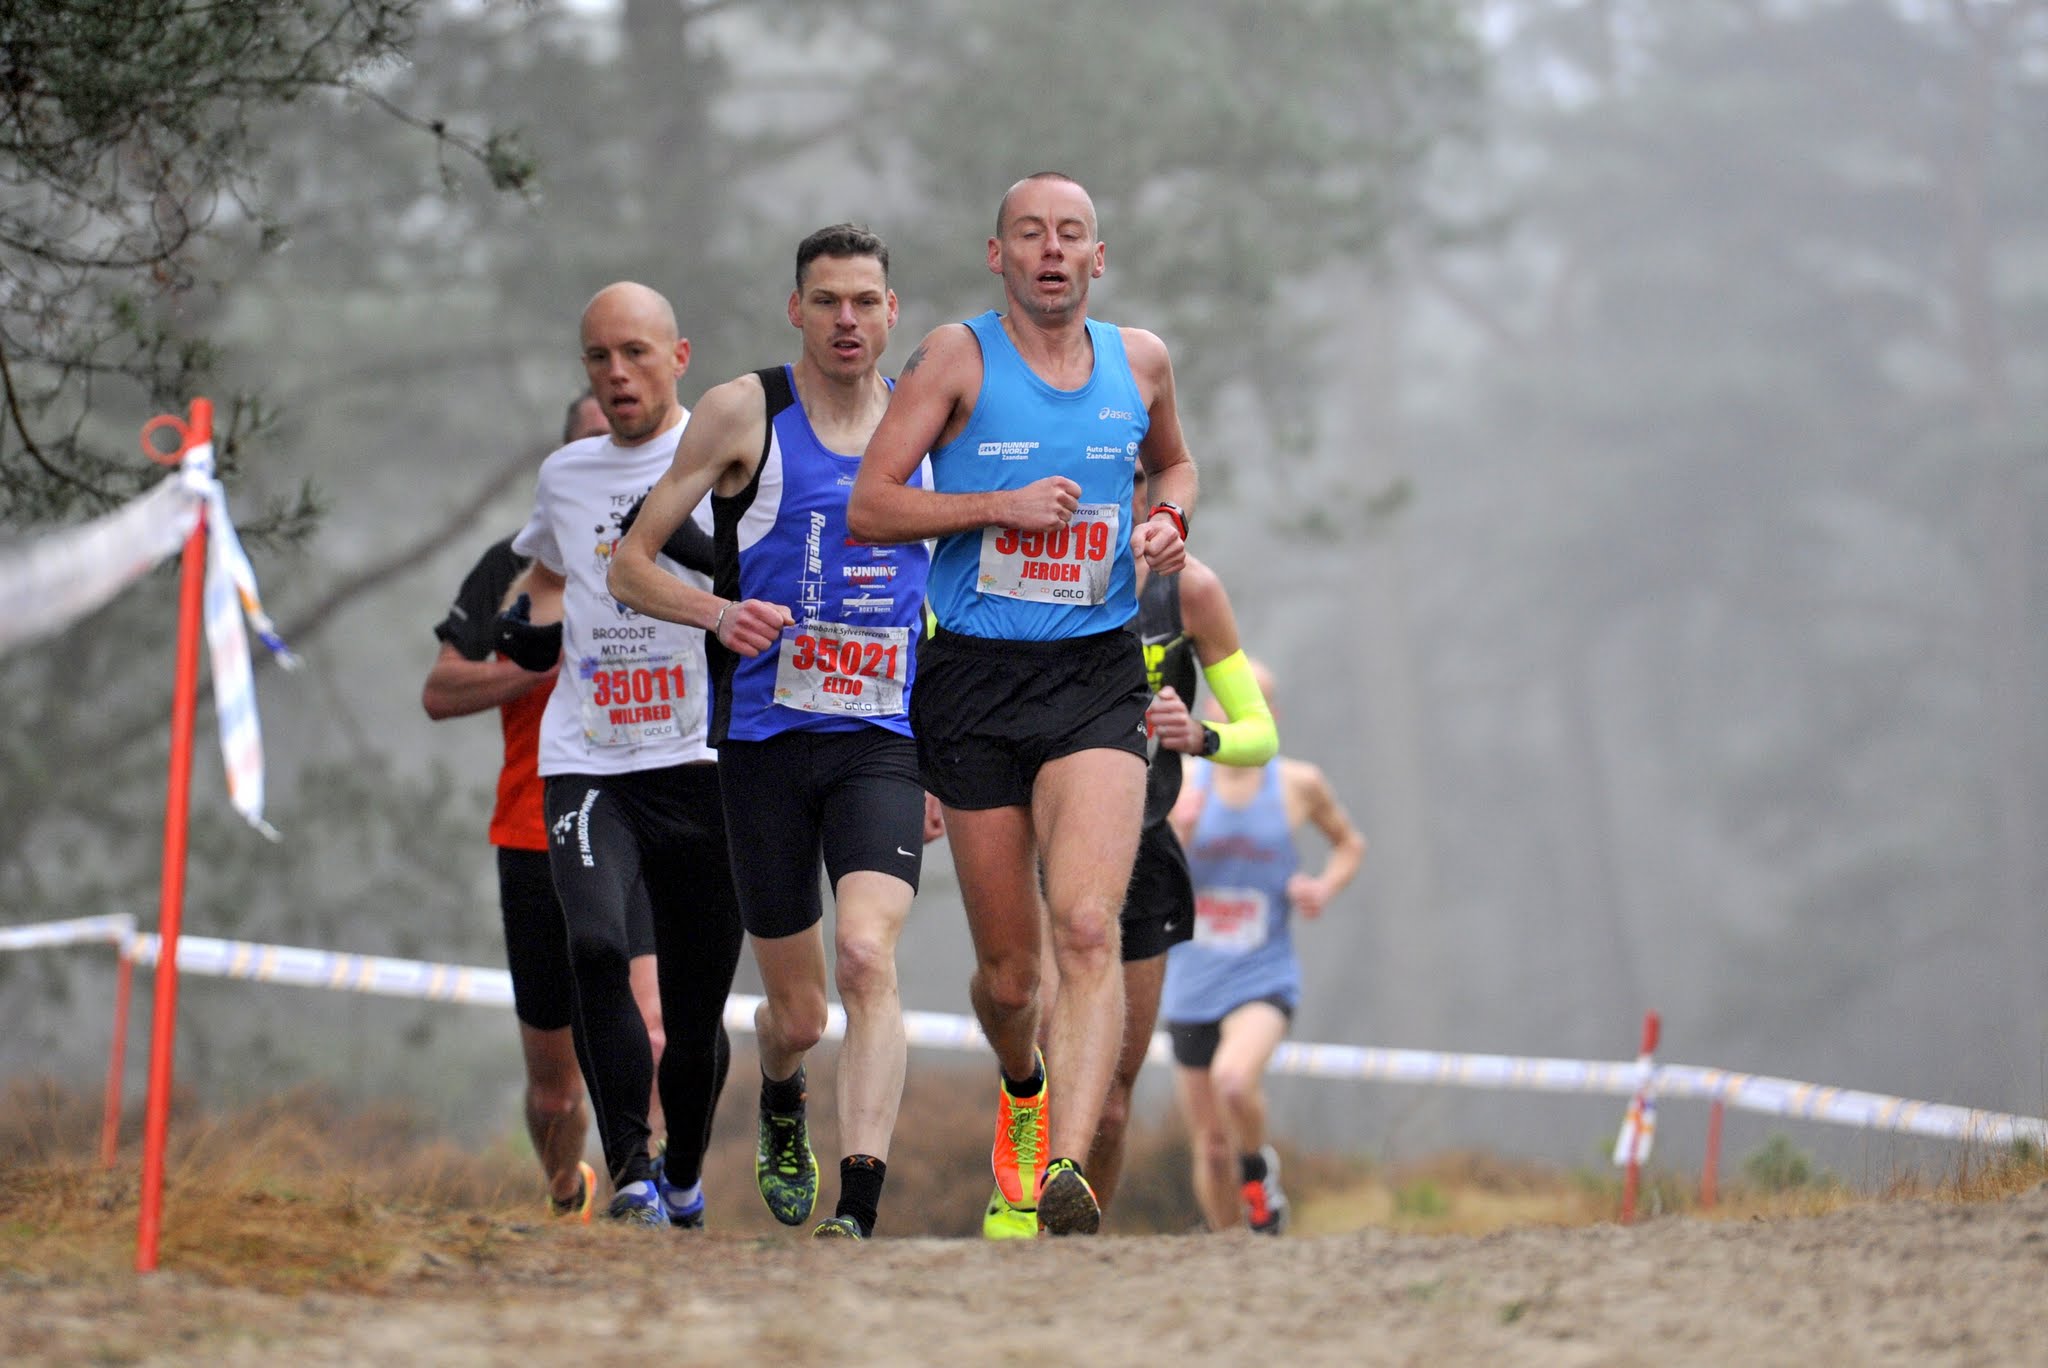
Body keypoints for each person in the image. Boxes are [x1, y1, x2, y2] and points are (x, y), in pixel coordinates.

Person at [848, 171, 1198, 1236]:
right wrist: (997, 505)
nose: (1052, 251)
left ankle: (1067, 1174)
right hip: (973, 680)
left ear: (1099, 257)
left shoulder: (1141, 362)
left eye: (1071, 234)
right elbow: (871, 504)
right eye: (1031, 234)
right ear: (998, 255)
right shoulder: (955, 358)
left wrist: (1168, 522)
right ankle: (1024, 1085)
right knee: (1010, 981)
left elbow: (1176, 466)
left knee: (1086, 927)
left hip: (1096, 674)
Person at [610, 224, 936, 1242]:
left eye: (866, 301)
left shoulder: (927, 425)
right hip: (764, 745)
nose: (847, 320)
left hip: (883, 737)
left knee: (867, 956)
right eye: (826, 300)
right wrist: (718, 614)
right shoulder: (743, 411)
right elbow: (629, 565)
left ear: (892, 312)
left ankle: (859, 1207)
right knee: (798, 1014)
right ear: (796, 309)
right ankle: (782, 1085)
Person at [498, 282, 744, 1227]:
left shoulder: (731, 461)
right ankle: (632, 1169)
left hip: (701, 763)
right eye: (599, 357)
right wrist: (525, 622)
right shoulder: (566, 474)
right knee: (596, 947)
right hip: (589, 760)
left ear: (679, 359)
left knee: (693, 1009)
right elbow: (544, 568)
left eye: (636, 353)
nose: (617, 374)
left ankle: (683, 1168)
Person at [981, 464, 1277, 1237]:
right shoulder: (1028, 565)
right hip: (1045, 836)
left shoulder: (1189, 593)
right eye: (1114, 477)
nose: (1130, 495)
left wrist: (1202, 735)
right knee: (1027, 1017)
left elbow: (1261, 733)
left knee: (1112, 1104)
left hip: (1142, 844)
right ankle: (1021, 1136)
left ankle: (1069, 1246)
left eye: (1143, 479)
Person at [421, 391, 671, 1221]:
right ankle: (569, 1191)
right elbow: (439, 690)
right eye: (593, 441)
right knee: (555, 1092)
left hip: (641, 814)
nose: (613, 451)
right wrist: (534, 666)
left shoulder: (678, 543)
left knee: (653, 1030)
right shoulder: (511, 565)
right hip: (535, 830)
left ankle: (648, 1188)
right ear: (564, 464)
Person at [1162, 659, 1365, 1234]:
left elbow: (1350, 844)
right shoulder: (1178, 780)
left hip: (1263, 975)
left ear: (1268, 714)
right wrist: (1179, 833)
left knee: (1233, 1079)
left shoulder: (1298, 784)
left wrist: (1322, 887)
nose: (1235, 710)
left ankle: (1258, 1169)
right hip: (1190, 979)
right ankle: (1233, 1253)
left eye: (1252, 700)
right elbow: (1140, 875)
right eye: (1224, 700)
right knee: (1210, 1148)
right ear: (1209, 710)